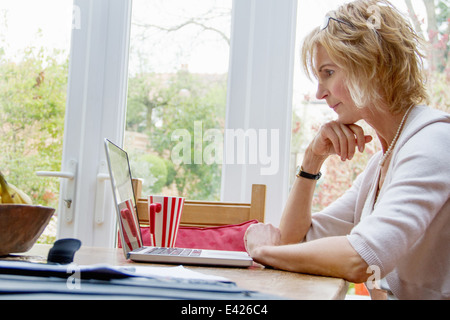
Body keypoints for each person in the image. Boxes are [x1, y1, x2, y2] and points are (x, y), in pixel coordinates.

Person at [244, 0, 450, 300]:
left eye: (328, 72)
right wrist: (312, 159)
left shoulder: (432, 142)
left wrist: (263, 252)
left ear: (371, 65)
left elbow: (362, 259)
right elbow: (295, 241)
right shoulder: (383, 162)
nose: (319, 92)